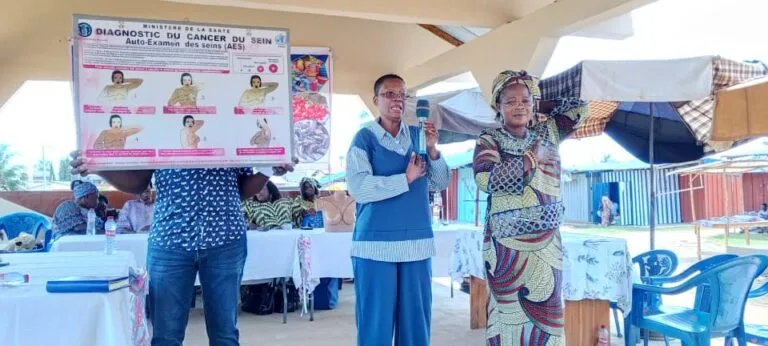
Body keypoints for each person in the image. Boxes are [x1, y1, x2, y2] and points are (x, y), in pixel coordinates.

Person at [69, 151, 296, 346]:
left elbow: (241, 187)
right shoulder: (158, 124)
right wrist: (97, 165)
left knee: (224, 334)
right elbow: (139, 182)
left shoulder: (231, 125)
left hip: (225, 240)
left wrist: (268, 168)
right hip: (170, 241)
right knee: (166, 336)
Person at [472, 70, 586, 345]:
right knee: (508, 316)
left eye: (525, 100)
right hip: (507, 249)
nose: (519, 106)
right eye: (510, 101)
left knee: (548, 317)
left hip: (547, 248)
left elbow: (581, 108)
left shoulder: (548, 132)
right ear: (498, 107)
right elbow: (485, 179)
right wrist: (531, 159)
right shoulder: (489, 139)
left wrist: (537, 96)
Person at [346, 74, 450, 346]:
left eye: (402, 94)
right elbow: (359, 187)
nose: (397, 100)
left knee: (416, 325)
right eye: (389, 94)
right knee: (375, 326)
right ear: (375, 100)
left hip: (416, 244)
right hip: (375, 246)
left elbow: (440, 183)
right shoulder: (364, 139)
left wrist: (433, 150)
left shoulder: (419, 136)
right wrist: (405, 179)